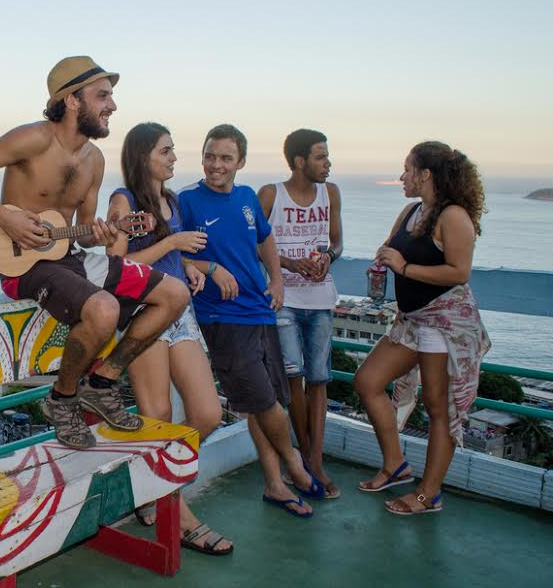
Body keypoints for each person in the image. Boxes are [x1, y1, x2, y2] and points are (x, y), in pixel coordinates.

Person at [0, 56, 190, 450]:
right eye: (103, 96)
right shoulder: (34, 139)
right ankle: (62, 398)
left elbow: (88, 232)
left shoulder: (95, 159)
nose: (112, 106)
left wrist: (107, 233)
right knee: (104, 309)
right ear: (72, 100)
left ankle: (104, 381)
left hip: (68, 257)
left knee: (175, 294)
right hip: (23, 265)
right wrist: (6, 220)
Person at [179, 124, 325, 519]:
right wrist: (209, 268)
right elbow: (174, 254)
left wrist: (276, 279)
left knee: (269, 403)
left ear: (240, 162)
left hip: (260, 310)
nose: (216, 165)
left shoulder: (246, 197)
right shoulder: (188, 201)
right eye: (210, 156)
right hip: (221, 316)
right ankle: (294, 462)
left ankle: (275, 484)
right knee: (264, 402)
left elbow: (265, 239)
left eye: (226, 158)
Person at [106, 122, 231, 555]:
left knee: (208, 412)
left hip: (182, 314)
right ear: (144, 156)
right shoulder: (124, 200)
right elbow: (116, 265)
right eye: (166, 150)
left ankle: (150, 482)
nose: (175, 157)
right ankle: (176, 510)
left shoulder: (171, 200)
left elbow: (170, 254)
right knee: (156, 414)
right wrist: (173, 242)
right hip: (145, 313)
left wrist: (190, 264)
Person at [354, 141, 490, 515]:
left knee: (438, 407)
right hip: (412, 320)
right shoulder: (412, 210)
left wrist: (403, 269)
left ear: (426, 174)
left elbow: (459, 272)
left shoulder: (453, 216)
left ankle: (429, 494)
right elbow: (392, 249)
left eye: (407, 169)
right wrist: (383, 261)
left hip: (444, 322)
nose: (402, 177)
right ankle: (396, 464)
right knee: (367, 381)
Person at [258, 128, 343, 499]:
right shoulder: (270, 194)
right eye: (321, 156)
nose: (328, 163)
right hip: (285, 299)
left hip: (322, 298)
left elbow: (337, 241)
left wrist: (328, 256)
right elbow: (254, 243)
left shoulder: (331, 193)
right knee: (294, 379)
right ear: (299, 161)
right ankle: (307, 462)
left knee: (320, 379)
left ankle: (313, 461)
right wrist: (288, 262)